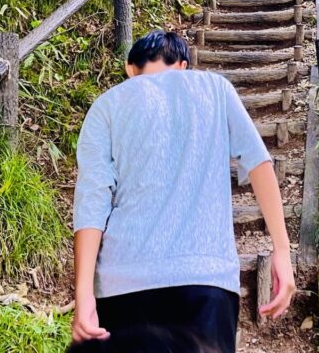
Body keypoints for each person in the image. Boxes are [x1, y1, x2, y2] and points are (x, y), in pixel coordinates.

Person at [70, 30, 296, 352]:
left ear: (130, 69)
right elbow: (259, 163)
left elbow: (92, 202)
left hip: (123, 284)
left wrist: (84, 294)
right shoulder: (215, 88)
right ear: (183, 65)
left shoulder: (107, 105)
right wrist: (282, 251)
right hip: (205, 279)